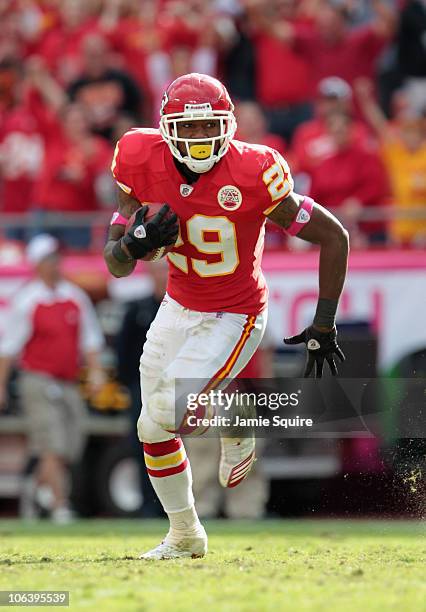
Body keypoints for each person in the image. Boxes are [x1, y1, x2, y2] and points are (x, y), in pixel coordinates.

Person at [103, 73, 349, 559]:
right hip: (178, 305)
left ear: (229, 125)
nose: (198, 139)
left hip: (233, 313)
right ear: (166, 128)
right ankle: (186, 535)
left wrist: (324, 322)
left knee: (172, 410)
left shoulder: (255, 170)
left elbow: (334, 236)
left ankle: (234, 415)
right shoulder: (137, 154)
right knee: (151, 426)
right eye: (187, 129)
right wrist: (133, 243)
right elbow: (114, 263)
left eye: (207, 127)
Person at [0, 234, 105, 523]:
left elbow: (90, 340)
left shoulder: (74, 296)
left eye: (56, 258)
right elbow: (9, 348)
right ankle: (59, 506)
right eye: (49, 260)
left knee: (72, 445)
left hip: (68, 381)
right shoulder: (27, 300)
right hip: (38, 379)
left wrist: (95, 374)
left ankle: (35, 490)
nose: (55, 264)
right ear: (37, 265)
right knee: (52, 445)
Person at [115, 260, 168, 518]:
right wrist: (132, 386)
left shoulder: (180, 310)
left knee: (178, 443)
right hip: (143, 388)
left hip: (175, 386)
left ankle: (177, 505)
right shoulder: (138, 309)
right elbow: (122, 352)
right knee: (145, 444)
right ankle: (148, 503)